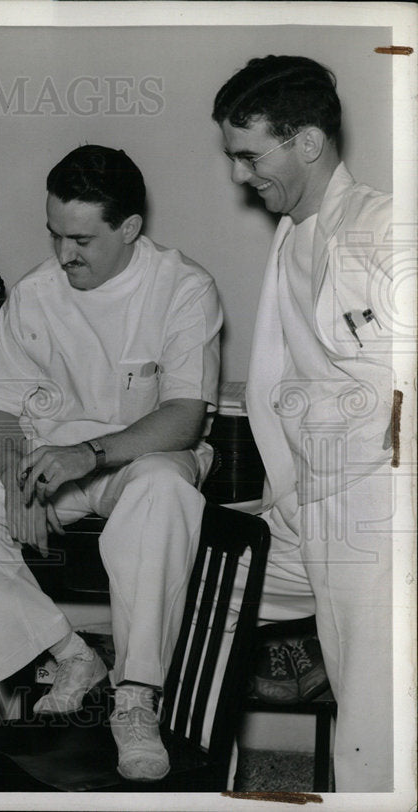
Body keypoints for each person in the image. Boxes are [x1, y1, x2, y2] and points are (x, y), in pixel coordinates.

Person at [0, 144, 223, 782]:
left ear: (129, 229)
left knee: (163, 490)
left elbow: (184, 418)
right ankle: (70, 655)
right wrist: (18, 487)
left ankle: (136, 697)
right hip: (50, 462)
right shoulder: (35, 295)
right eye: (55, 234)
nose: (66, 254)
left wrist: (87, 453)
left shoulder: (183, 287)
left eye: (82, 238)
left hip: (137, 459)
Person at [213, 55, 397, 791]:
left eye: (250, 155)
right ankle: (196, 780)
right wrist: (290, 494)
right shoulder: (292, 236)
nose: (239, 176)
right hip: (306, 501)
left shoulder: (384, 225)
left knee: (370, 702)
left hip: (375, 506)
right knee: (204, 585)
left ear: (309, 142)